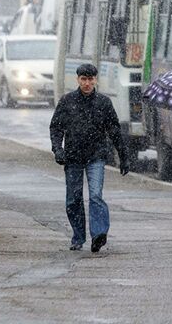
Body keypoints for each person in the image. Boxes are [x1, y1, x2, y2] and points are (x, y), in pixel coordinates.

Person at [50, 63, 129, 253]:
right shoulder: (67, 101)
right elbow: (56, 127)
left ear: (96, 80)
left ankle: (99, 234)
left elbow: (114, 130)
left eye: (90, 79)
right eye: (83, 79)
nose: (87, 83)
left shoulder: (103, 103)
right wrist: (57, 150)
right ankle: (78, 236)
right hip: (73, 156)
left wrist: (123, 156)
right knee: (73, 199)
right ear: (77, 80)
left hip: (96, 156)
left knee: (95, 195)